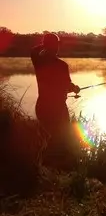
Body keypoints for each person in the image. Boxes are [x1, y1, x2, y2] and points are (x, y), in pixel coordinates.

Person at [30, 33, 80, 168]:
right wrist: (75, 88)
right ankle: (51, 168)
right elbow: (68, 87)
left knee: (49, 137)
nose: (58, 47)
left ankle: (43, 167)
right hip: (57, 108)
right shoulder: (62, 65)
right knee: (61, 138)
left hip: (41, 106)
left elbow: (33, 50)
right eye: (56, 45)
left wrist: (45, 44)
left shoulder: (38, 61)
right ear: (56, 46)